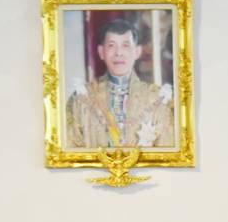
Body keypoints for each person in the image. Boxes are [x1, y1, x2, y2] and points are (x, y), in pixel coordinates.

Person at [65, 16, 176, 150]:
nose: (118, 53)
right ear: (101, 52)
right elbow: (70, 150)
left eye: (125, 45)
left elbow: (168, 152)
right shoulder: (81, 99)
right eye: (111, 45)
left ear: (137, 52)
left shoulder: (158, 99)